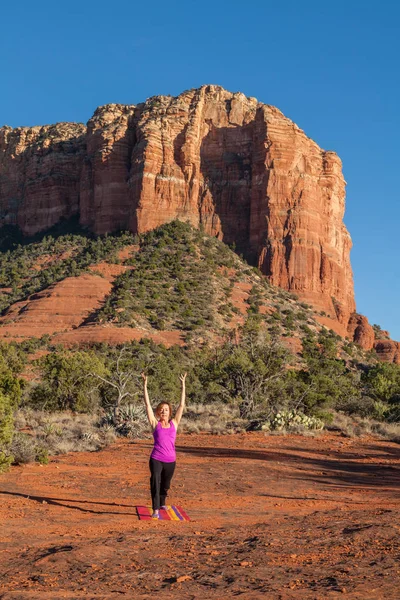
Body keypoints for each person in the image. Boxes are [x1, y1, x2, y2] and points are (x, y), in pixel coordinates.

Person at [141, 372, 187, 519]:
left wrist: (183, 385)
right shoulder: (155, 424)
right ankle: (155, 509)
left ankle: (162, 501)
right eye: (161, 410)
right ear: (158, 412)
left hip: (170, 460)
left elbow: (182, 405)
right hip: (156, 458)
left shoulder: (174, 423)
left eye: (166, 409)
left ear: (169, 412)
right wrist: (145, 385)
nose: (163, 411)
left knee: (165, 484)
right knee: (155, 480)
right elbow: (147, 405)